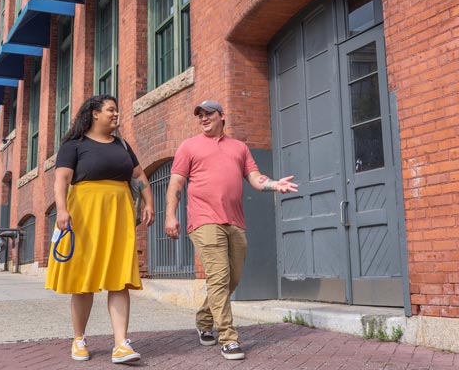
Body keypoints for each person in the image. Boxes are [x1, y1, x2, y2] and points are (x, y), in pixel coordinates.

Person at [164, 99, 297, 361]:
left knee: (232, 278)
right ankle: (228, 338)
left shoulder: (239, 147)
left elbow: (255, 178)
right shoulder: (189, 146)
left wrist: (274, 184)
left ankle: (204, 319)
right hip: (204, 220)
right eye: (199, 115)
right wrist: (170, 215)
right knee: (219, 276)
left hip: (235, 221)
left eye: (208, 114)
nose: (203, 118)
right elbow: (176, 183)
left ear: (222, 116)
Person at [45, 94, 155, 364]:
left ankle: (121, 344)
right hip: (84, 215)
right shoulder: (74, 145)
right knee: (84, 280)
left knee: (119, 277)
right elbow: (62, 179)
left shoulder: (122, 144)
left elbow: (138, 176)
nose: (116, 115)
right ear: (94, 113)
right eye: (111, 110)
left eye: (116, 110)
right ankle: (79, 338)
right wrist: (61, 209)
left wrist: (148, 202)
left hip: (118, 215)